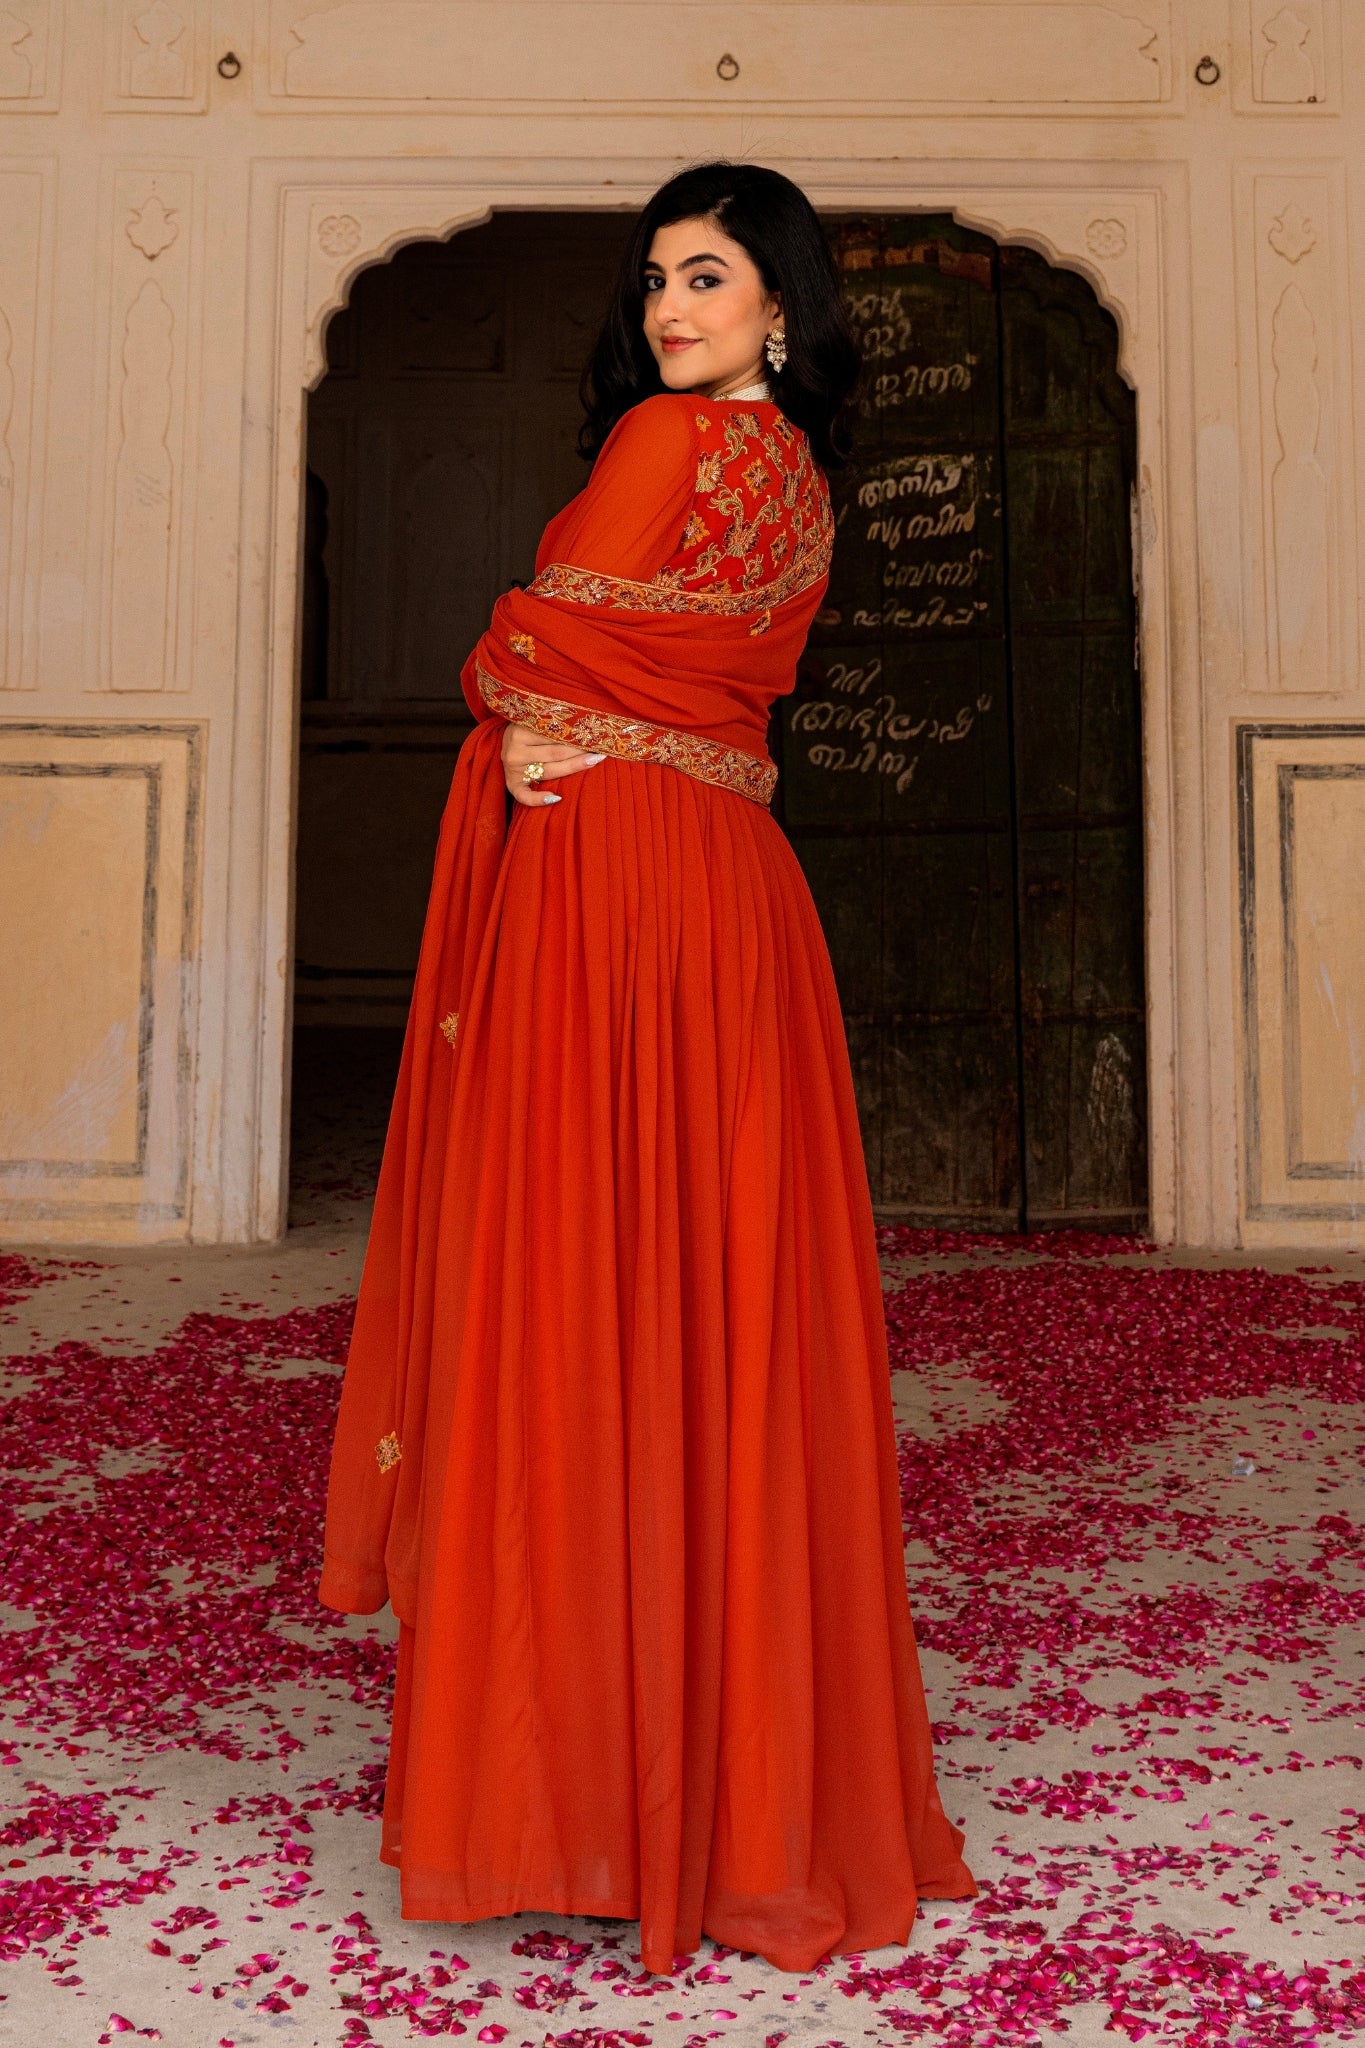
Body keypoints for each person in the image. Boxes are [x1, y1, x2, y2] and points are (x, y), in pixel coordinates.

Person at [318, 160, 975, 1975]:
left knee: (570, 1306)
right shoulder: (800, 481)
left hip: (614, 899)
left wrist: (510, 699)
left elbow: (535, 634)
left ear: (780, 300)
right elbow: (645, 672)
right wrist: (549, 712)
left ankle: (578, 1791)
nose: (673, 308)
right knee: (719, 1323)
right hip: (736, 905)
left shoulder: (671, 450)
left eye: (712, 275)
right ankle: (735, 1783)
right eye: (657, 280)